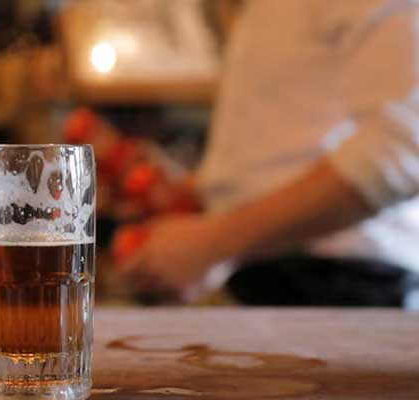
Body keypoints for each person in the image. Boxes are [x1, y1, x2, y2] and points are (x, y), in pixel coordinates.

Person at [118, 0, 419, 306]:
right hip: (283, 275)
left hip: (346, 282)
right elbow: (287, 143)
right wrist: (196, 192)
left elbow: (405, 146)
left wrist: (211, 242)